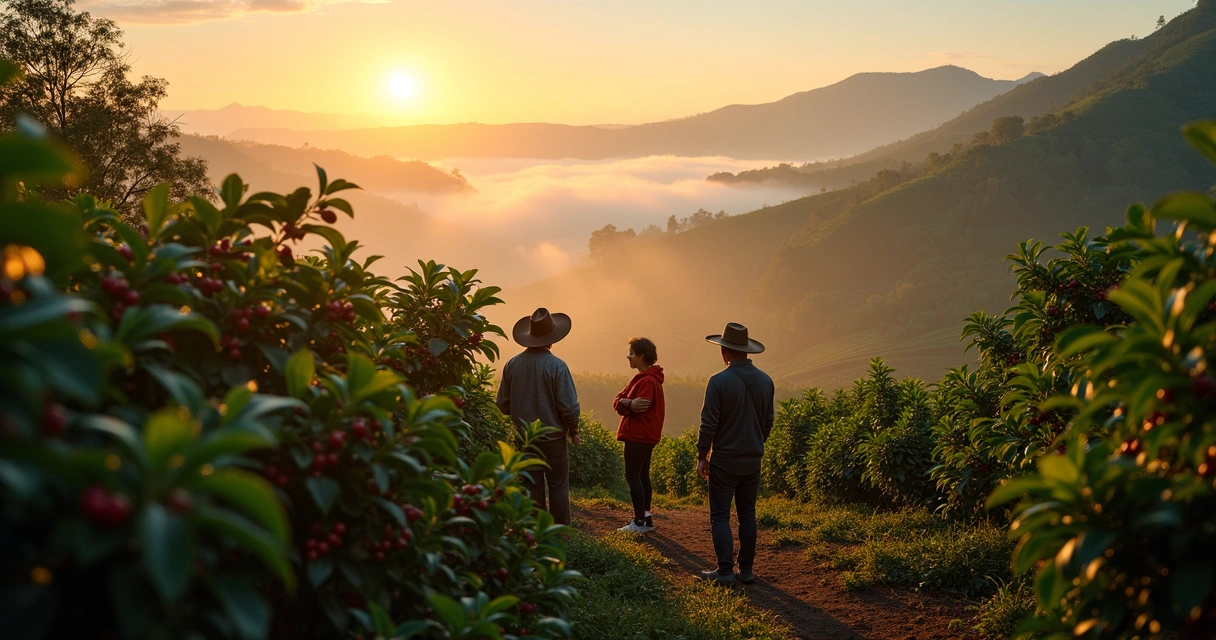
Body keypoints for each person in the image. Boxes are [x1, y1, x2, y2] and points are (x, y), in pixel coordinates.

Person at [695, 322, 774, 585]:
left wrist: (702, 456)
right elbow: (768, 421)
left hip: (725, 460)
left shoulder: (718, 382)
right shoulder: (766, 381)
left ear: (724, 352)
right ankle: (747, 570)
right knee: (747, 514)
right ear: (747, 351)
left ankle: (725, 571)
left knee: (720, 515)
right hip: (753, 459)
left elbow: (709, 424)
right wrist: (754, 442)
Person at [496, 307, 582, 525]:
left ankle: (535, 530)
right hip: (553, 438)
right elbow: (569, 407)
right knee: (558, 485)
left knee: (532, 485)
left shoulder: (512, 364)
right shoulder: (557, 366)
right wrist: (574, 431)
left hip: (524, 438)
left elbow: (502, 404)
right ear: (552, 340)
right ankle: (560, 529)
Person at [612, 337, 665, 533]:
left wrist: (627, 404)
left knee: (633, 476)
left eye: (631, 353)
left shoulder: (647, 381)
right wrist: (628, 403)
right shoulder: (647, 378)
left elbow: (628, 406)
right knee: (642, 476)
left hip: (639, 435)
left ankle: (639, 522)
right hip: (646, 436)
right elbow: (619, 401)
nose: (628, 357)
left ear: (641, 355)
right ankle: (646, 520)